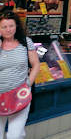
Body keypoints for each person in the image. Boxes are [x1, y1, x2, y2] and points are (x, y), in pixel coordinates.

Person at [0, 10, 40, 139]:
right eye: (4, 27)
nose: (8, 30)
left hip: (19, 95)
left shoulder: (25, 42)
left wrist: (28, 84)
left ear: (16, 26)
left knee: (14, 135)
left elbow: (36, 65)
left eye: (11, 26)